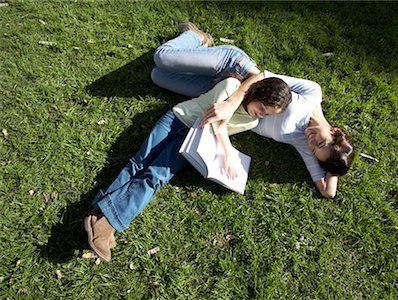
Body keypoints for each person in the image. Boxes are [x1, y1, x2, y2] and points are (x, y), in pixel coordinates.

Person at [84, 74, 292, 262]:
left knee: (156, 176)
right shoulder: (231, 87)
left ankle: (107, 220)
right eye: (263, 108)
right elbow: (215, 120)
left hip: (192, 140)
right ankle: (100, 216)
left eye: (267, 115)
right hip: (175, 120)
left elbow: (220, 130)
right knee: (139, 162)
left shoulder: (252, 123)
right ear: (258, 92)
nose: (261, 115)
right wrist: (228, 153)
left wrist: (226, 151)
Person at [151, 22, 355, 199]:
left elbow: (328, 191)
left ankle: (201, 45)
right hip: (236, 71)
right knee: (162, 58)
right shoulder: (312, 94)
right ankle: (195, 36)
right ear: (335, 131)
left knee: (157, 76)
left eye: (314, 149)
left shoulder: (302, 142)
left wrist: (333, 163)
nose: (311, 141)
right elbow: (263, 76)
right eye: (319, 141)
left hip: (213, 92)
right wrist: (231, 103)